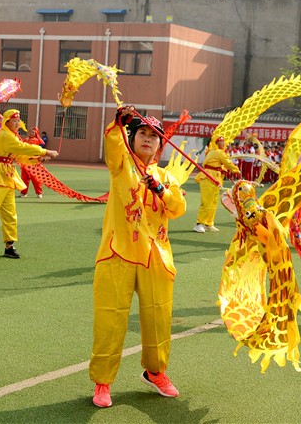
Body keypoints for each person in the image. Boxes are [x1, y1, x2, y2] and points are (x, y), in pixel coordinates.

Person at [90, 105, 186, 409]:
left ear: (159, 146)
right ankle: (103, 382)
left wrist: (159, 189)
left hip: (155, 257)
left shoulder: (165, 177)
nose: (147, 138)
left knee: (159, 317)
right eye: (142, 133)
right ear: (132, 139)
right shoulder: (121, 166)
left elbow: (178, 207)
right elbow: (113, 143)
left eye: (153, 136)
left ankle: (155, 372)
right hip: (118, 252)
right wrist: (119, 122)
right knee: (111, 317)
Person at [0, 110, 58, 260]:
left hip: (8, 175)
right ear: (7, 122)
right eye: (14, 121)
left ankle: (9, 246)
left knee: (10, 213)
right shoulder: (5, 135)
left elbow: (21, 155)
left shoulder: (11, 136)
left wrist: (38, 158)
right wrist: (46, 151)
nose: (18, 123)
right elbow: (21, 148)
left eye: (19, 121)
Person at [193, 135, 240, 232]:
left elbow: (221, 165)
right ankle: (199, 223)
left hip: (215, 178)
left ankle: (208, 223)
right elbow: (227, 163)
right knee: (206, 202)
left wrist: (224, 170)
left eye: (223, 142)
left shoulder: (215, 152)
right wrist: (236, 170)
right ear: (216, 144)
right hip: (209, 177)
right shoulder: (218, 152)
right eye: (220, 142)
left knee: (213, 202)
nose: (222, 144)